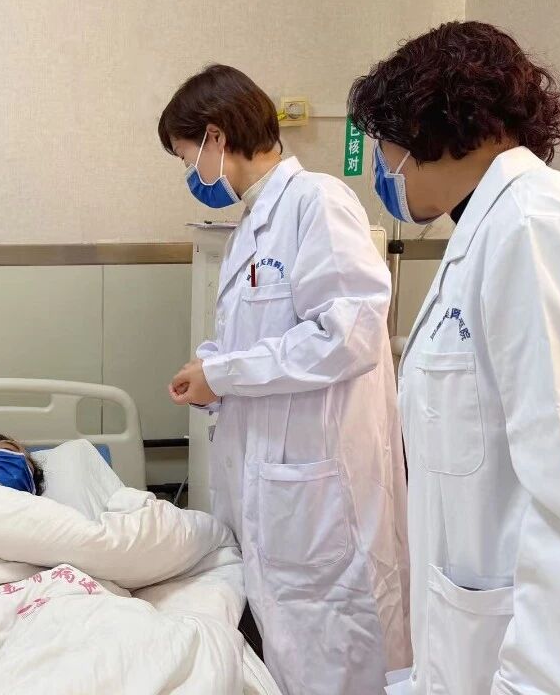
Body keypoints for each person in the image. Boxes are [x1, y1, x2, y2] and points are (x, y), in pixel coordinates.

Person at [349, 21, 560, 695]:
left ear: (424, 126)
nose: (382, 169)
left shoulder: (539, 231)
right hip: (489, 637)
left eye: (382, 146)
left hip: (559, 667)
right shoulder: (495, 230)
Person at [160, 64, 410, 695]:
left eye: (187, 157)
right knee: (293, 653)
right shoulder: (250, 226)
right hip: (277, 490)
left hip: (321, 497)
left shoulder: (317, 202)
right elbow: (260, 343)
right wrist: (210, 371)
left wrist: (225, 373)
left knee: (340, 654)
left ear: (216, 137)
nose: (190, 174)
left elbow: (348, 335)